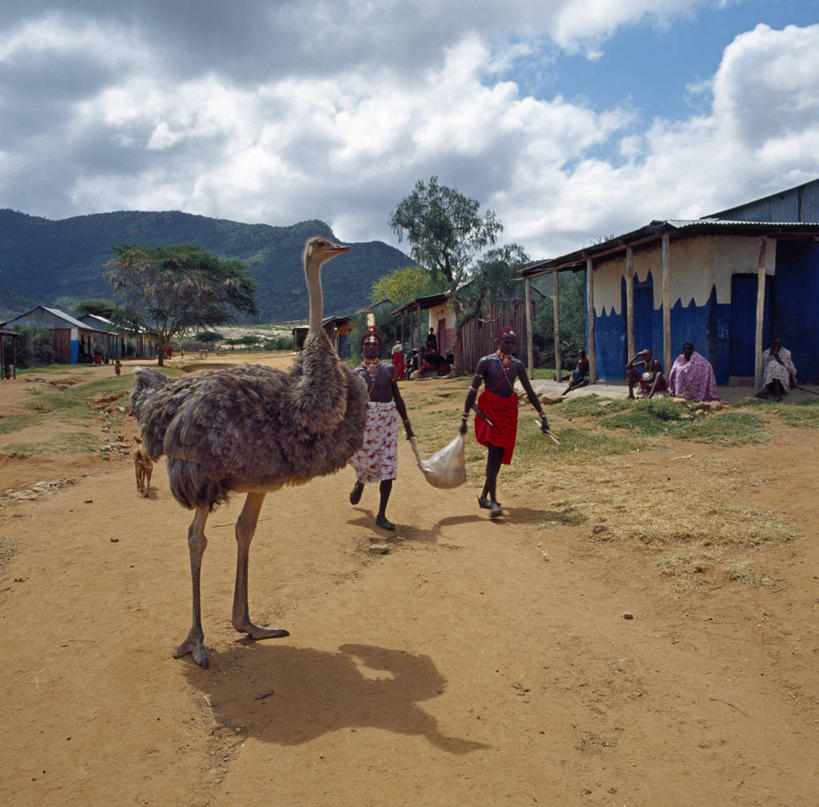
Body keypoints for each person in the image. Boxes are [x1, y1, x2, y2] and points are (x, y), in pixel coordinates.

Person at [460, 327, 550, 518]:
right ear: (497, 341)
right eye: (506, 342)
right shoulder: (485, 362)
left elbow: (530, 391)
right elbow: (472, 392)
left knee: (499, 455)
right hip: (491, 413)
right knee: (494, 454)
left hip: (508, 414)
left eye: (512, 342)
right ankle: (494, 502)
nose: (509, 345)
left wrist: (543, 416)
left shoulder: (517, 365)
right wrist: (465, 417)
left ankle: (484, 497)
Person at [349, 324, 414, 531]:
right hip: (367, 424)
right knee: (366, 461)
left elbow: (398, 397)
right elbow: (350, 403)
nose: (371, 347)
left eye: (375, 344)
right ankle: (360, 481)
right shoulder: (356, 373)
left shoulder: (389, 370)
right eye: (367, 344)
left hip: (388, 425)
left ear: (380, 348)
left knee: (388, 468)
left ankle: (381, 514)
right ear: (362, 348)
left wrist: (406, 423)